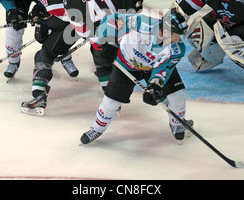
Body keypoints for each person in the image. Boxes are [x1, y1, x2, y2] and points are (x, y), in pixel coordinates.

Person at [80, 9, 193, 144]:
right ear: (168, 30)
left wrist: (155, 85)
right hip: (126, 65)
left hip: (153, 68)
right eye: (178, 34)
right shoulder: (142, 23)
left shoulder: (178, 49)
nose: (179, 39)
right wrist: (108, 42)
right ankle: (97, 129)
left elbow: (165, 68)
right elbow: (112, 20)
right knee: (111, 101)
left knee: (177, 94)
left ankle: (177, 124)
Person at [65, 0, 146, 92]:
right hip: (131, 32)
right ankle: (155, 82)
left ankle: (109, 93)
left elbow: (84, 32)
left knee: (98, 53)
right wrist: (137, 0)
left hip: (106, 45)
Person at [19, 0, 80, 116]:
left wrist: (44, 23)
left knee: (44, 54)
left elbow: (67, 17)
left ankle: (39, 97)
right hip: (87, 18)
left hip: (77, 24)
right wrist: (42, 16)